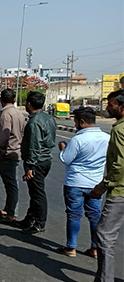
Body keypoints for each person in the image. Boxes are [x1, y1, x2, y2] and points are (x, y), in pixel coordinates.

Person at [74, 90, 124, 282]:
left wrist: (102, 187)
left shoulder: (119, 130)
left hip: (120, 190)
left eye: (111, 104)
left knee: (104, 235)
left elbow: (119, 165)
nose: (107, 108)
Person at [56, 107, 109, 257]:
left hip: (75, 182)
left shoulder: (78, 139)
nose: (75, 125)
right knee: (95, 216)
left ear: (82, 121)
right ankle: (95, 248)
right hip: (95, 183)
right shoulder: (106, 138)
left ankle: (71, 247)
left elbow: (66, 159)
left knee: (74, 215)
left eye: (75, 122)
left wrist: (62, 149)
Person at [19, 91, 57, 234]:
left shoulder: (34, 123)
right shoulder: (49, 118)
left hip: (37, 162)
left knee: (38, 194)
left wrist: (30, 166)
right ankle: (30, 218)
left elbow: (34, 146)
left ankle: (40, 223)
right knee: (34, 192)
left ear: (29, 104)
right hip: (46, 159)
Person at [0, 88, 26, 223]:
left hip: (8, 152)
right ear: (14, 100)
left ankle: (12, 213)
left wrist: (0, 151)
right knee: (10, 183)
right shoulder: (19, 114)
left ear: (1, 100)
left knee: (11, 184)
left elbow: (4, 136)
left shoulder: (6, 115)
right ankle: (8, 209)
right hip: (16, 151)